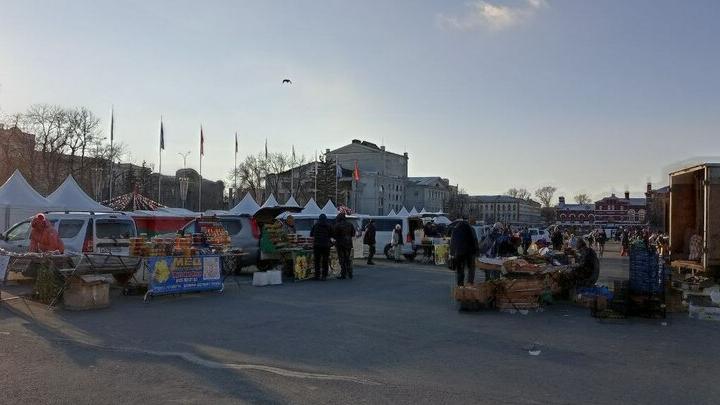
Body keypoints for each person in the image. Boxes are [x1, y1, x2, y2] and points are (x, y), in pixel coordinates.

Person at [450, 219, 479, 286]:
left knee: (460, 269)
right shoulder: (471, 229)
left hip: (459, 252)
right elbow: (475, 240)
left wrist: (452, 252)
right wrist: (477, 251)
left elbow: (453, 242)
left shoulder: (455, 230)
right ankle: (470, 283)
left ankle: (460, 284)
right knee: (471, 268)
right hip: (470, 252)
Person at [310, 214, 333, 280]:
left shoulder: (315, 225)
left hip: (317, 245)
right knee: (325, 261)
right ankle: (324, 275)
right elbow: (332, 234)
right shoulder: (329, 226)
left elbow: (311, 234)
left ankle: (317, 275)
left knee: (317, 261)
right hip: (326, 245)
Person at [334, 213, 355, 279]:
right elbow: (353, 233)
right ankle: (350, 273)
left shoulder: (337, 225)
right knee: (347, 258)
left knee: (342, 259)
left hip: (340, 244)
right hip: (348, 243)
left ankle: (343, 274)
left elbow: (334, 235)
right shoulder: (350, 224)